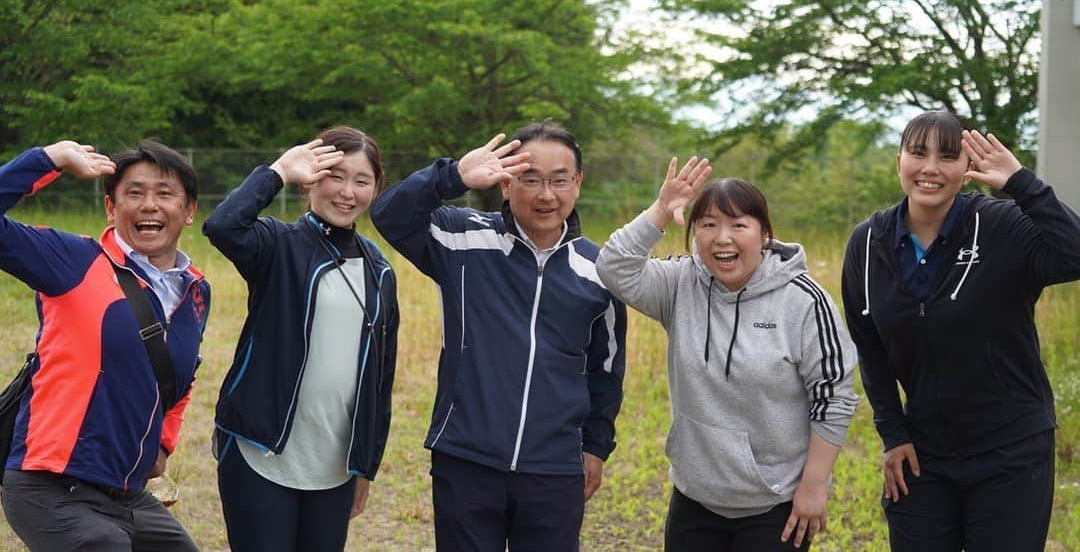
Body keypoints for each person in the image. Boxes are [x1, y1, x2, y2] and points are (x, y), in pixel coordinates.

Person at [370, 121, 627, 552]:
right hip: (466, 458)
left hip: (555, 467)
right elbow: (388, 214)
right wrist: (452, 177)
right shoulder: (462, 238)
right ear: (506, 183)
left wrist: (596, 447)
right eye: (530, 179)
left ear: (577, 183)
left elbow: (605, 370)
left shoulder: (601, 271)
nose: (546, 194)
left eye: (558, 179)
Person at [840, 111, 1080, 552]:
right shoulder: (867, 244)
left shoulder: (1001, 226)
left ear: (967, 171)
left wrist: (1022, 184)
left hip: (1011, 450)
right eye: (918, 153)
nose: (930, 167)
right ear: (899, 162)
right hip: (923, 453)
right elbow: (869, 346)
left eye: (948, 156)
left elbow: (1075, 253)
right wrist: (893, 434)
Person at [596, 158, 859, 552]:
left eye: (739, 225)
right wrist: (661, 210)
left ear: (764, 233)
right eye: (709, 225)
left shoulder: (804, 301)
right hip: (694, 498)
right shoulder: (682, 283)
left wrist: (814, 486)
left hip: (775, 505)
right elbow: (614, 267)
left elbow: (834, 398)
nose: (723, 238)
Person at [0, 140, 209, 552]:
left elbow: (183, 378)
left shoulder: (196, 291)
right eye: (134, 193)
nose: (149, 204)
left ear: (188, 212)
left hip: (126, 494)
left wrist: (163, 443)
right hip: (49, 486)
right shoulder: (73, 260)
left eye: (165, 193)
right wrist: (49, 158)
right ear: (111, 209)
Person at [203, 126, 399, 552]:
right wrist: (278, 172)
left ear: (376, 188)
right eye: (336, 175)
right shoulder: (278, 244)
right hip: (261, 455)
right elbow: (222, 226)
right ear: (312, 179)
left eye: (361, 181)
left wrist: (365, 464)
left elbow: (381, 376)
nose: (347, 192)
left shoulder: (379, 269)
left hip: (333, 468)